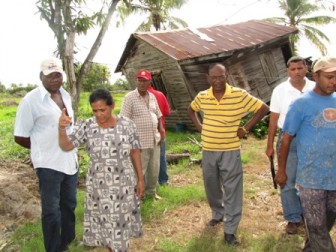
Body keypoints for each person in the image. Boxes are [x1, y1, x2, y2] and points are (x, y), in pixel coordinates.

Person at [187, 63, 269, 246]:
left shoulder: (238, 95)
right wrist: (199, 126)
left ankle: (230, 230)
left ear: (227, 76)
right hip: (208, 149)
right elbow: (191, 110)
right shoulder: (202, 96)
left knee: (232, 189)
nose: (217, 80)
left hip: (230, 150)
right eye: (213, 77)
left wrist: (246, 127)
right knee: (212, 186)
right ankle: (218, 214)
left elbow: (263, 108)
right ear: (208, 79)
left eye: (221, 76)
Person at [58, 89, 145, 252]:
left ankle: (118, 248)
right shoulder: (87, 126)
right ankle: (111, 248)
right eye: (95, 110)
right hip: (99, 184)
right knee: (105, 221)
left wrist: (140, 179)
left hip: (123, 183)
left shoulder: (127, 125)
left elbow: (135, 151)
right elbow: (66, 146)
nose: (98, 114)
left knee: (120, 221)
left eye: (102, 110)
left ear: (112, 106)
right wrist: (61, 129)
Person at [14, 57, 78, 252]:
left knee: (69, 204)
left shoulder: (66, 96)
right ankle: (54, 248)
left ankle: (67, 241)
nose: (55, 79)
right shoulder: (30, 101)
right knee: (51, 210)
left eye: (58, 75)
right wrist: (41, 149)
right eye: (50, 75)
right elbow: (20, 136)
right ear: (41, 76)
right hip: (48, 164)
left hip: (69, 160)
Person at [275, 56, 336, 252]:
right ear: (316, 76)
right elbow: (286, 138)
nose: (333, 81)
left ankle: (310, 249)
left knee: (325, 223)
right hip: (311, 177)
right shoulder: (301, 104)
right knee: (317, 226)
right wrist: (282, 170)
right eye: (329, 77)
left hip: (334, 176)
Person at [265, 56, 315, 234]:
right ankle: (293, 218)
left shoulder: (316, 88)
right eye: (293, 69)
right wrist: (270, 145)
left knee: (311, 180)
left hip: (312, 139)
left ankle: (311, 216)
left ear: (306, 68)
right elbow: (273, 119)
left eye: (300, 68)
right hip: (288, 140)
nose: (297, 72)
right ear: (288, 71)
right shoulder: (280, 90)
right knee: (285, 178)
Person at [120, 69, 164, 199]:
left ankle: (151, 192)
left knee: (154, 169)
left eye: (145, 81)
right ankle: (136, 195)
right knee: (138, 171)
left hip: (154, 140)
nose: (142, 83)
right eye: (140, 80)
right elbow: (123, 121)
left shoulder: (152, 97)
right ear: (136, 81)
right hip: (138, 143)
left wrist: (161, 130)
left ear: (150, 82)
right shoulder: (129, 98)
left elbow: (159, 115)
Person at [148, 84, 171, 185]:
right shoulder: (160, 95)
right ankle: (163, 180)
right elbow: (167, 112)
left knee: (145, 158)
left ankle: (148, 183)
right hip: (160, 131)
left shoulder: (137, 96)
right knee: (161, 157)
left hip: (144, 132)